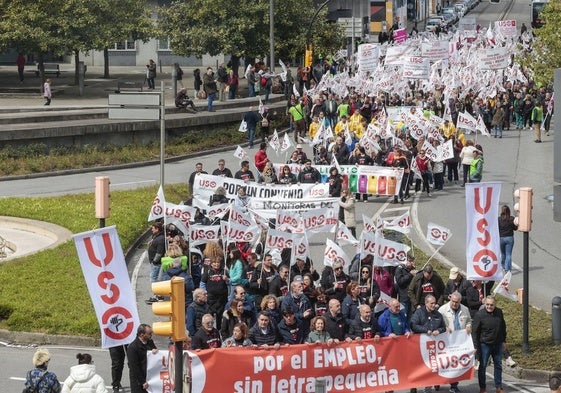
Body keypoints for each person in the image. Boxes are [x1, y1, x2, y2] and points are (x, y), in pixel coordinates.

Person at [472, 296, 507, 393]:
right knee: (482, 366)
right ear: (484, 304)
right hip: (485, 345)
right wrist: (475, 346)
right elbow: (474, 332)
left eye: (491, 305)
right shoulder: (479, 315)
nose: (489, 306)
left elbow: (503, 327)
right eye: (487, 304)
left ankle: (498, 387)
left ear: (495, 304)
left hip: (497, 344)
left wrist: (503, 340)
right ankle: (482, 388)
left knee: (498, 365)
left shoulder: (499, 312)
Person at [438, 292, 472, 393]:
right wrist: (444, 328)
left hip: (459, 342)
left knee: (456, 364)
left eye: (457, 302)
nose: (454, 304)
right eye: (452, 301)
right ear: (450, 299)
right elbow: (437, 323)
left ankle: (454, 385)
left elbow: (469, 320)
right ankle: (437, 381)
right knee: (444, 363)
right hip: (446, 341)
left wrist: (468, 326)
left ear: (460, 301)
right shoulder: (442, 309)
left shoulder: (465, 309)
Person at [127, 324, 157, 393]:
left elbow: (155, 353)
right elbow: (134, 367)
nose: (151, 335)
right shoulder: (132, 348)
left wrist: (155, 351)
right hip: (138, 382)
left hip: (149, 377)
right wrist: (142, 381)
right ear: (142, 335)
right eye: (149, 334)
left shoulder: (150, 342)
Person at [145, 222, 165, 303]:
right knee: (155, 278)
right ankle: (157, 295)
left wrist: (154, 261)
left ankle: (157, 296)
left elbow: (159, 252)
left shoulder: (160, 239)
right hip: (155, 262)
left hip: (156, 263)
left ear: (157, 229)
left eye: (153, 228)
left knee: (154, 279)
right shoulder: (157, 237)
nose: (152, 230)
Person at [499, 205, 517, 273]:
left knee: (503, 253)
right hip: (509, 238)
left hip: (501, 238)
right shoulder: (511, 218)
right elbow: (515, 228)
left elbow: (496, 228)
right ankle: (507, 268)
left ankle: (503, 267)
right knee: (508, 254)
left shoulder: (499, 219)